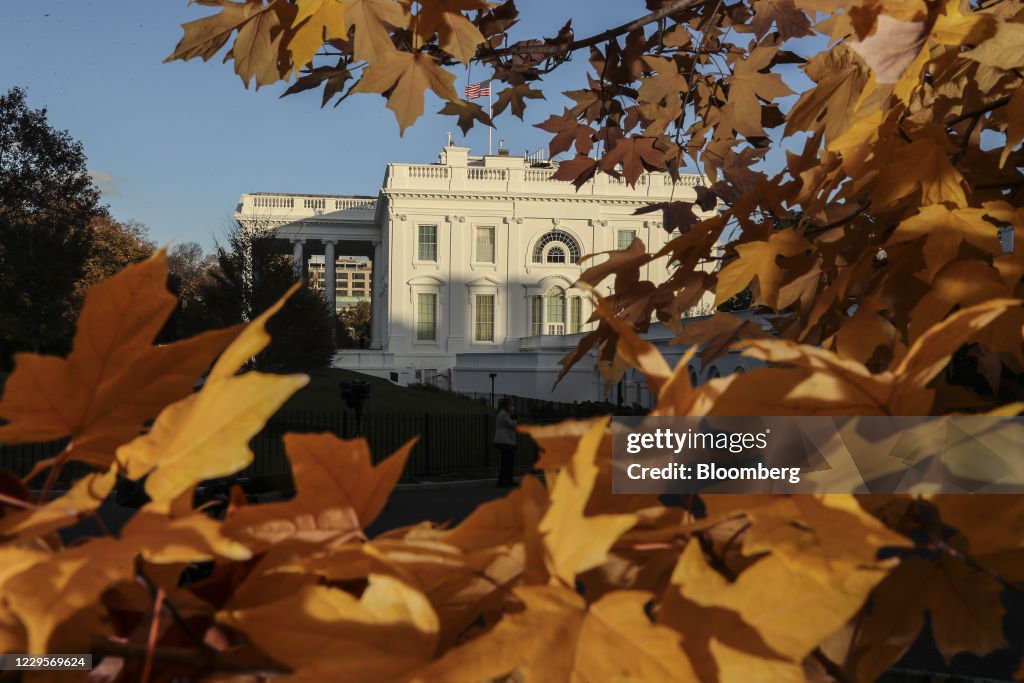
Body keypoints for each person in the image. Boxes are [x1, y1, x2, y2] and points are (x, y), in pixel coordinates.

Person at [494, 398, 517, 487]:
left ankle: (506, 481)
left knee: (507, 462)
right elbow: (513, 424)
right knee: (508, 463)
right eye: (510, 405)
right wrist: (515, 418)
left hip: (504, 441)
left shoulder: (502, 413)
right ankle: (503, 482)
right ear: (506, 405)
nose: (512, 407)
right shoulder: (504, 414)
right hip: (505, 442)